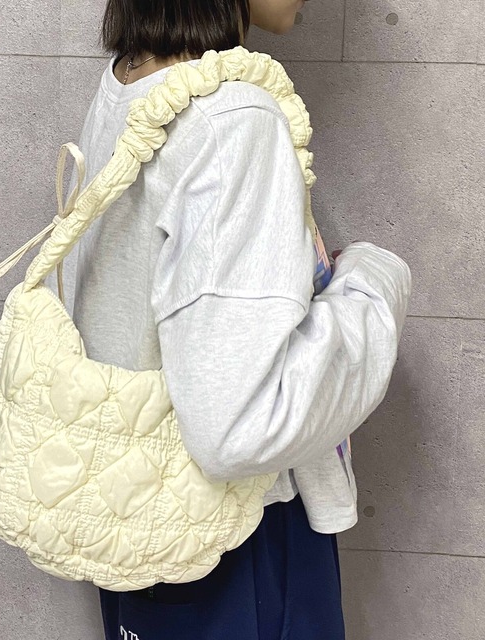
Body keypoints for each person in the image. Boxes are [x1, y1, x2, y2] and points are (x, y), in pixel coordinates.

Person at [46, 0, 412, 638]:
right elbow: (241, 429)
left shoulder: (134, 82)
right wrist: (372, 287)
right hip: (240, 541)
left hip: (140, 521)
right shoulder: (232, 119)